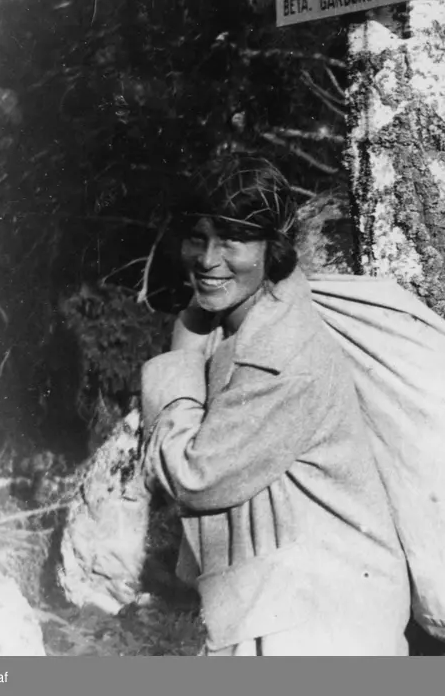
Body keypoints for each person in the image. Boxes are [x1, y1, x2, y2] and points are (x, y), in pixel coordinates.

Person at [139, 150, 411, 656]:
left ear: (274, 248)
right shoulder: (249, 319)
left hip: (323, 622)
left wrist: (180, 358)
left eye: (233, 239)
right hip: (287, 600)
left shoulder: (283, 355)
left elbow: (196, 477)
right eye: (198, 237)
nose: (208, 259)